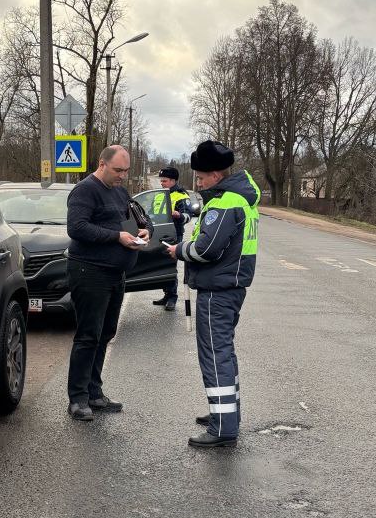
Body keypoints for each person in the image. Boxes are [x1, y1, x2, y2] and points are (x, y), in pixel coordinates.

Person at [166, 140, 260, 448]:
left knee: (215, 356)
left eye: (201, 177)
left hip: (216, 291)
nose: (198, 182)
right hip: (229, 288)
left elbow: (206, 249)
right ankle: (226, 414)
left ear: (216, 175)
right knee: (224, 353)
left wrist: (178, 250)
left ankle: (222, 428)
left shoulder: (225, 202)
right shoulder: (241, 199)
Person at [65, 144, 152, 421]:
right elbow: (76, 228)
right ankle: (77, 399)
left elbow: (135, 218)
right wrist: (117, 237)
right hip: (90, 272)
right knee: (88, 335)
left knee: (105, 333)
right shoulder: (85, 190)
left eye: (126, 170)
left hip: (116, 274)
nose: (122, 176)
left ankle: (94, 392)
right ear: (102, 164)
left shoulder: (119, 191)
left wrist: (143, 231)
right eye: (118, 170)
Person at [151, 166, 191, 311]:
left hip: (173, 234)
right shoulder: (159, 194)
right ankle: (167, 294)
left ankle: (172, 297)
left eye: (165, 181)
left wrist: (178, 215)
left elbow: (187, 217)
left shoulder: (181, 195)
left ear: (173, 180)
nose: (162, 183)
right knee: (161, 265)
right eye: (161, 180)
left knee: (170, 266)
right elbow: (152, 213)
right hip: (158, 234)